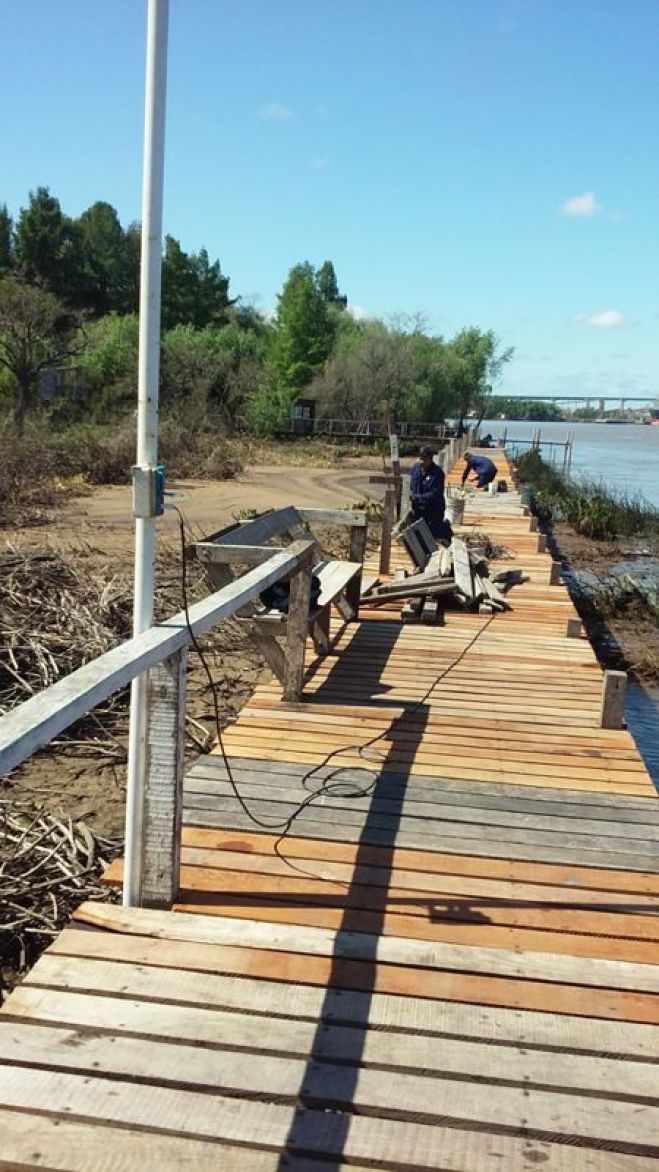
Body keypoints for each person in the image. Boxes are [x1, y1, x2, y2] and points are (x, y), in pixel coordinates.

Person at [409, 445, 452, 540]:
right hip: (418, 509)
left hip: (433, 510)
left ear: (430, 459)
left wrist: (418, 497)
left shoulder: (437, 473)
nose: (421, 462)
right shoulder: (415, 469)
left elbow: (435, 493)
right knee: (419, 536)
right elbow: (411, 484)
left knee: (432, 536)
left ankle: (445, 533)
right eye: (420, 459)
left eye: (424, 460)